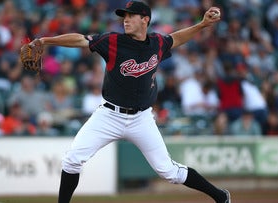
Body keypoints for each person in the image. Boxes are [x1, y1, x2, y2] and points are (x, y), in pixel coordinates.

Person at [36, 1, 230, 202]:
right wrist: (45, 41)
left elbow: (176, 38)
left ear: (145, 19)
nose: (125, 20)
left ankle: (220, 196)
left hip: (141, 119)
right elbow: (80, 40)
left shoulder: (157, 43)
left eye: (131, 16)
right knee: (72, 160)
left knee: (169, 171)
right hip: (109, 115)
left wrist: (202, 25)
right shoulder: (112, 41)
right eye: (124, 16)